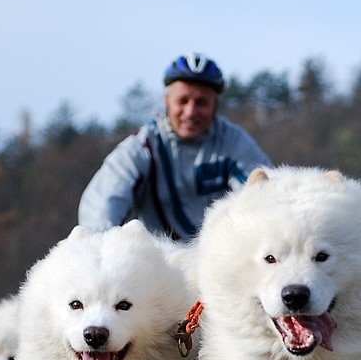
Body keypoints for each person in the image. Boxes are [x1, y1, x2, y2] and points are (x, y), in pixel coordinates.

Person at [78, 53, 272, 239]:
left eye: (201, 102)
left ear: (215, 105)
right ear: (166, 101)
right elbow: (101, 209)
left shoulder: (233, 141)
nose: (190, 112)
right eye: (183, 100)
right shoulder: (142, 147)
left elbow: (265, 198)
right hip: (161, 264)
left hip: (217, 261)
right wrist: (102, 251)